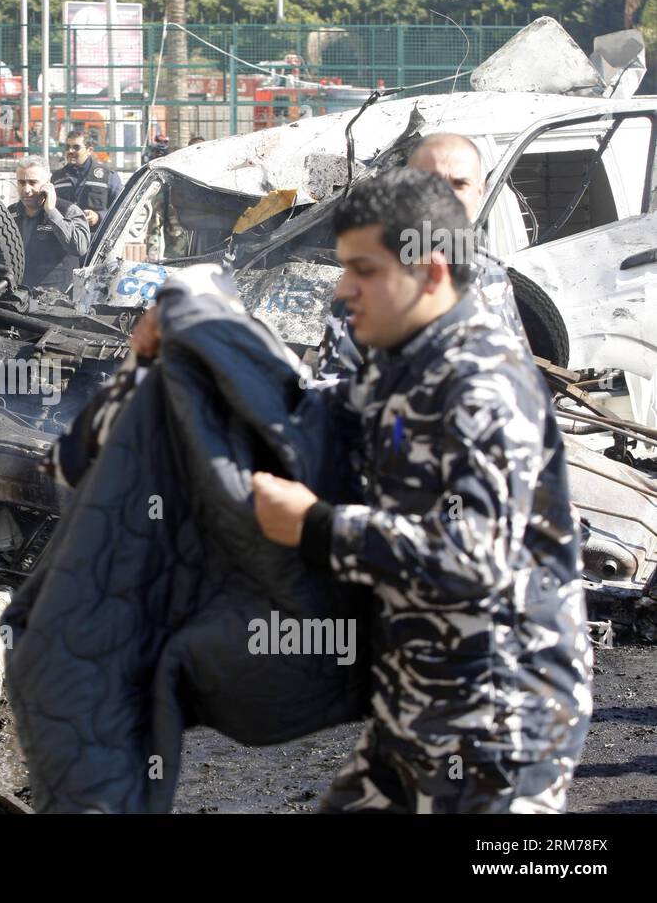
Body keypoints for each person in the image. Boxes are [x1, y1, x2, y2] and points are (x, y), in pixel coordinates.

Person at [251, 168, 591, 813]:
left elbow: (474, 559)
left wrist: (317, 526)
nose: (343, 289)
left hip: (496, 718)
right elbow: (317, 413)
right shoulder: (405, 360)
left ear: (431, 272)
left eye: (364, 270)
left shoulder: (481, 386)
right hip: (421, 696)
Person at [314, 132, 525, 385]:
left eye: (460, 184)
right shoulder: (371, 280)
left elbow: (518, 373)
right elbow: (330, 390)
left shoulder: (492, 275)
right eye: (431, 182)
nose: (446, 196)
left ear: (480, 192)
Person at [10, 156, 90, 291]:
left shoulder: (68, 210)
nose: (26, 189)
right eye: (21, 182)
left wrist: (51, 212)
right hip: (19, 295)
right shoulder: (10, 213)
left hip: (58, 300)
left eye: (33, 182)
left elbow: (80, 247)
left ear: (48, 182)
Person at [52, 128, 122, 232]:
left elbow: (121, 209)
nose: (70, 151)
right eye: (67, 147)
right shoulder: (56, 178)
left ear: (89, 150)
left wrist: (99, 217)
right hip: (65, 241)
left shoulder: (108, 176)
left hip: (96, 240)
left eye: (76, 147)